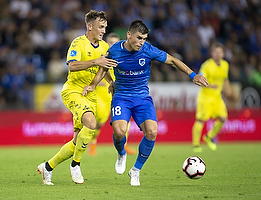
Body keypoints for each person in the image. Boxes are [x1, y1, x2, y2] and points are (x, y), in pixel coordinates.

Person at [82, 20, 209, 186]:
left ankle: (135, 170)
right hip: (122, 96)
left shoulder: (148, 49)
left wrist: (193, 75)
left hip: (142, 98)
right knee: (119, 132)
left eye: (144, 38)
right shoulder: (114, 50)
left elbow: (171, 60)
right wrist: (93, 84)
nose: (141, 42)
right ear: (129, 35)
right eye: (139, 38)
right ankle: (121, 154)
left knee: (152, 132)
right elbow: (103, 68)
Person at [37, 10, 117, 185]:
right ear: (90, 27)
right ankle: (76, 164)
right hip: (73, 90)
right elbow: (72, 66)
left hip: (90, 94)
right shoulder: (78, 43)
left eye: (105, 27)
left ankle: (47, 167)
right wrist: (96, 61)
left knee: (77, 141)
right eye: (100, 27)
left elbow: (103, 70)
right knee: (91, 123)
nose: (103, 30)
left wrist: (110, 81)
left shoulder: (104, 47)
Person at [89, 32, 136, 156]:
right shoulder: (101, 56)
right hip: (102, 95)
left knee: (125, 119)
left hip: (118, 93)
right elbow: (93, 72)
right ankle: (93, 142)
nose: (113, 45)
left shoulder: (123, 57)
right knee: (99, 122)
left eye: (115, 42)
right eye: (110, 43)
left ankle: (124, 145)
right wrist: (97, 81)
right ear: (106, 44)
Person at [192, 42, 232, 153]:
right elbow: (200, 78)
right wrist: (209, 85)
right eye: (216, 52)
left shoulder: (225, 65)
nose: (218, 54)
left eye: (220, 52)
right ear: (212, 53)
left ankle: (209, 136)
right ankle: (196, 145)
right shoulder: (206, 65)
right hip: (205, 98)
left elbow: (225, 79)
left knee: (223, 118)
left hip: (217, 98)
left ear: (223, 54)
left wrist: (228, 89)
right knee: (200, 120)